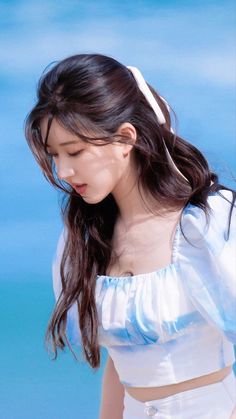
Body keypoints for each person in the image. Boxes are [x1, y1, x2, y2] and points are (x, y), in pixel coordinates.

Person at [25, 53, 236, 418]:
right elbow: (122, 364)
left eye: (74, 151)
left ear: (125, 138)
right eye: (54, 155)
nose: (63, 170)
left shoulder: (207, 224)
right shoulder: (88, 240)